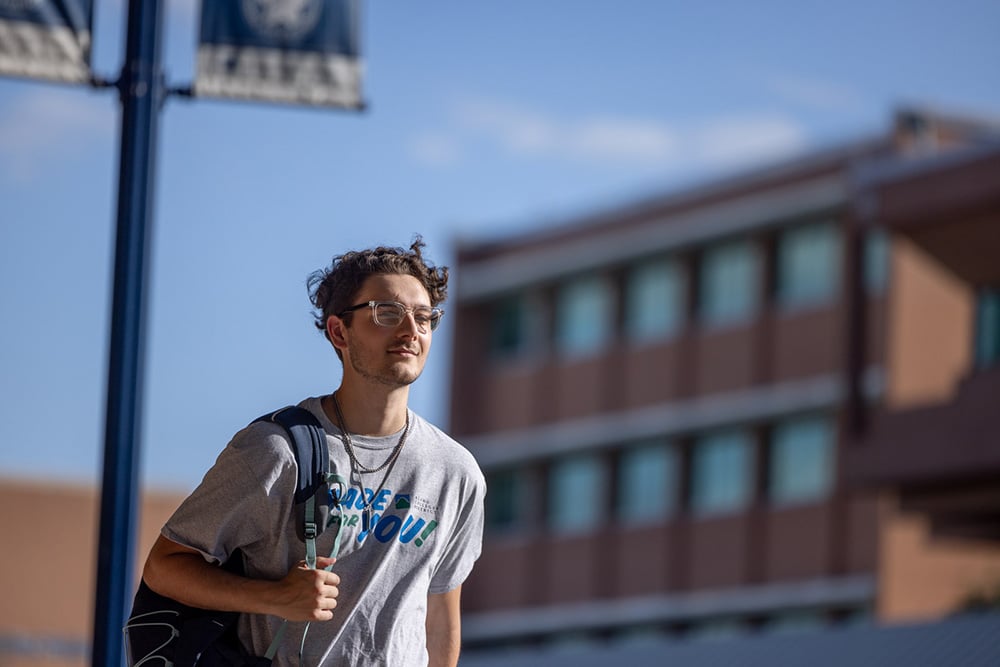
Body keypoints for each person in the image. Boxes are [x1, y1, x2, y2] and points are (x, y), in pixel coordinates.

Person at [142, 238, 486, 666]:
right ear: (339, 330)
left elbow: (439, 617)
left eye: (423, 317)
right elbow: (165, 566)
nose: (410, 331)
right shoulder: (275, 450)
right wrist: (274, 598)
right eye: (387, 313)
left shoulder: (456, 472)